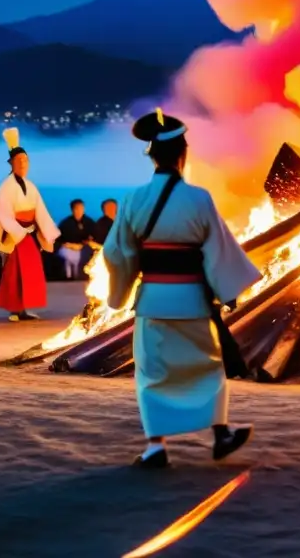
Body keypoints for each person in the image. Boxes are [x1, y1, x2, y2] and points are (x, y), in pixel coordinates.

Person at [101, 109, 260, 468]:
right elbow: (218, 248)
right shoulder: (200, 198)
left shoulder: (131, 200)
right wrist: (228, 289)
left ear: (153, 156)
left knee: (153, 371)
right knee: (206, 366)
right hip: (192, 299)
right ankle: (220, 434)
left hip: (153, 299)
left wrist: (120, 291)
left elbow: (116, 251)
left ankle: (156, 446)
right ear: (182, 155)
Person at [0, 128, 60, 322]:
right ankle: (14, 309)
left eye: (25, 160)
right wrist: (17, 232)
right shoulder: (6, 187)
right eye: (19, 161)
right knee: (14, 273)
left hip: (28, 233)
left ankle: (23, 309)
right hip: (15, 235)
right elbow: (3, 214)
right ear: (11, 163)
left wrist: (46, 230)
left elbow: (40, 210)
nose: (23, 164)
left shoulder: (31, 186)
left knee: (30, 272)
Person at [56, 199, 97, 279]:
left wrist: (81, 245)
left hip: (84, 248)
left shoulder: (89, 222)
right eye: (77, 208)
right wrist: (70, 245)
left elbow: (93, 238)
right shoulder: (65, 223)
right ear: (72, 209)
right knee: (65, 255)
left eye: (81, 208)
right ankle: (68, 278)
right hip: (69, 248)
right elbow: (59, 239)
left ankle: (81, 277)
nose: (79, 211)